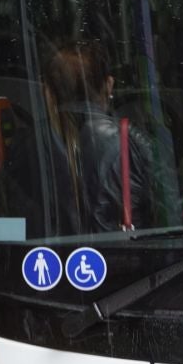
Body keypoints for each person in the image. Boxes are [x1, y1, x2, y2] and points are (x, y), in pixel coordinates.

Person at [43, 40, 159, 232]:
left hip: (54, 259)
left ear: (48, 91)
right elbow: (161, 216)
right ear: (109, 85)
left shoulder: (29, 144)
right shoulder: (132, 143)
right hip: (125, 258)